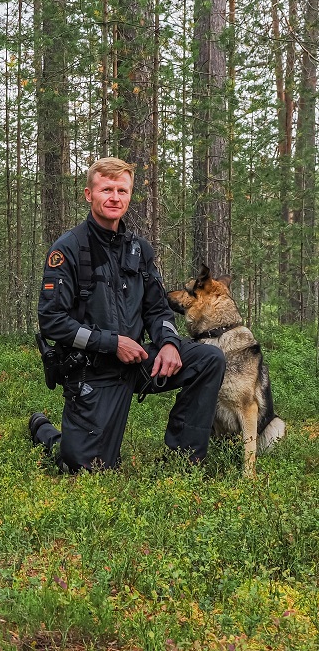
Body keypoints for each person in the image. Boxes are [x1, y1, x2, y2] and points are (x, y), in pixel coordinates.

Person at [29, 157, 225, 472]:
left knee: (209, 359)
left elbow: (158, 308)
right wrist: (111, 343)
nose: (115, 197)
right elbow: (52, 321)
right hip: (94, 371)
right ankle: (45, 431)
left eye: (122, 190)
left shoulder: (139, 250)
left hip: (137, 363)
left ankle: (182, 462)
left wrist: (169, 343)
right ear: (88, 195)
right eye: (107, 189)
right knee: (86, 468)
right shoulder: (67, 249)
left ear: (130, 195)